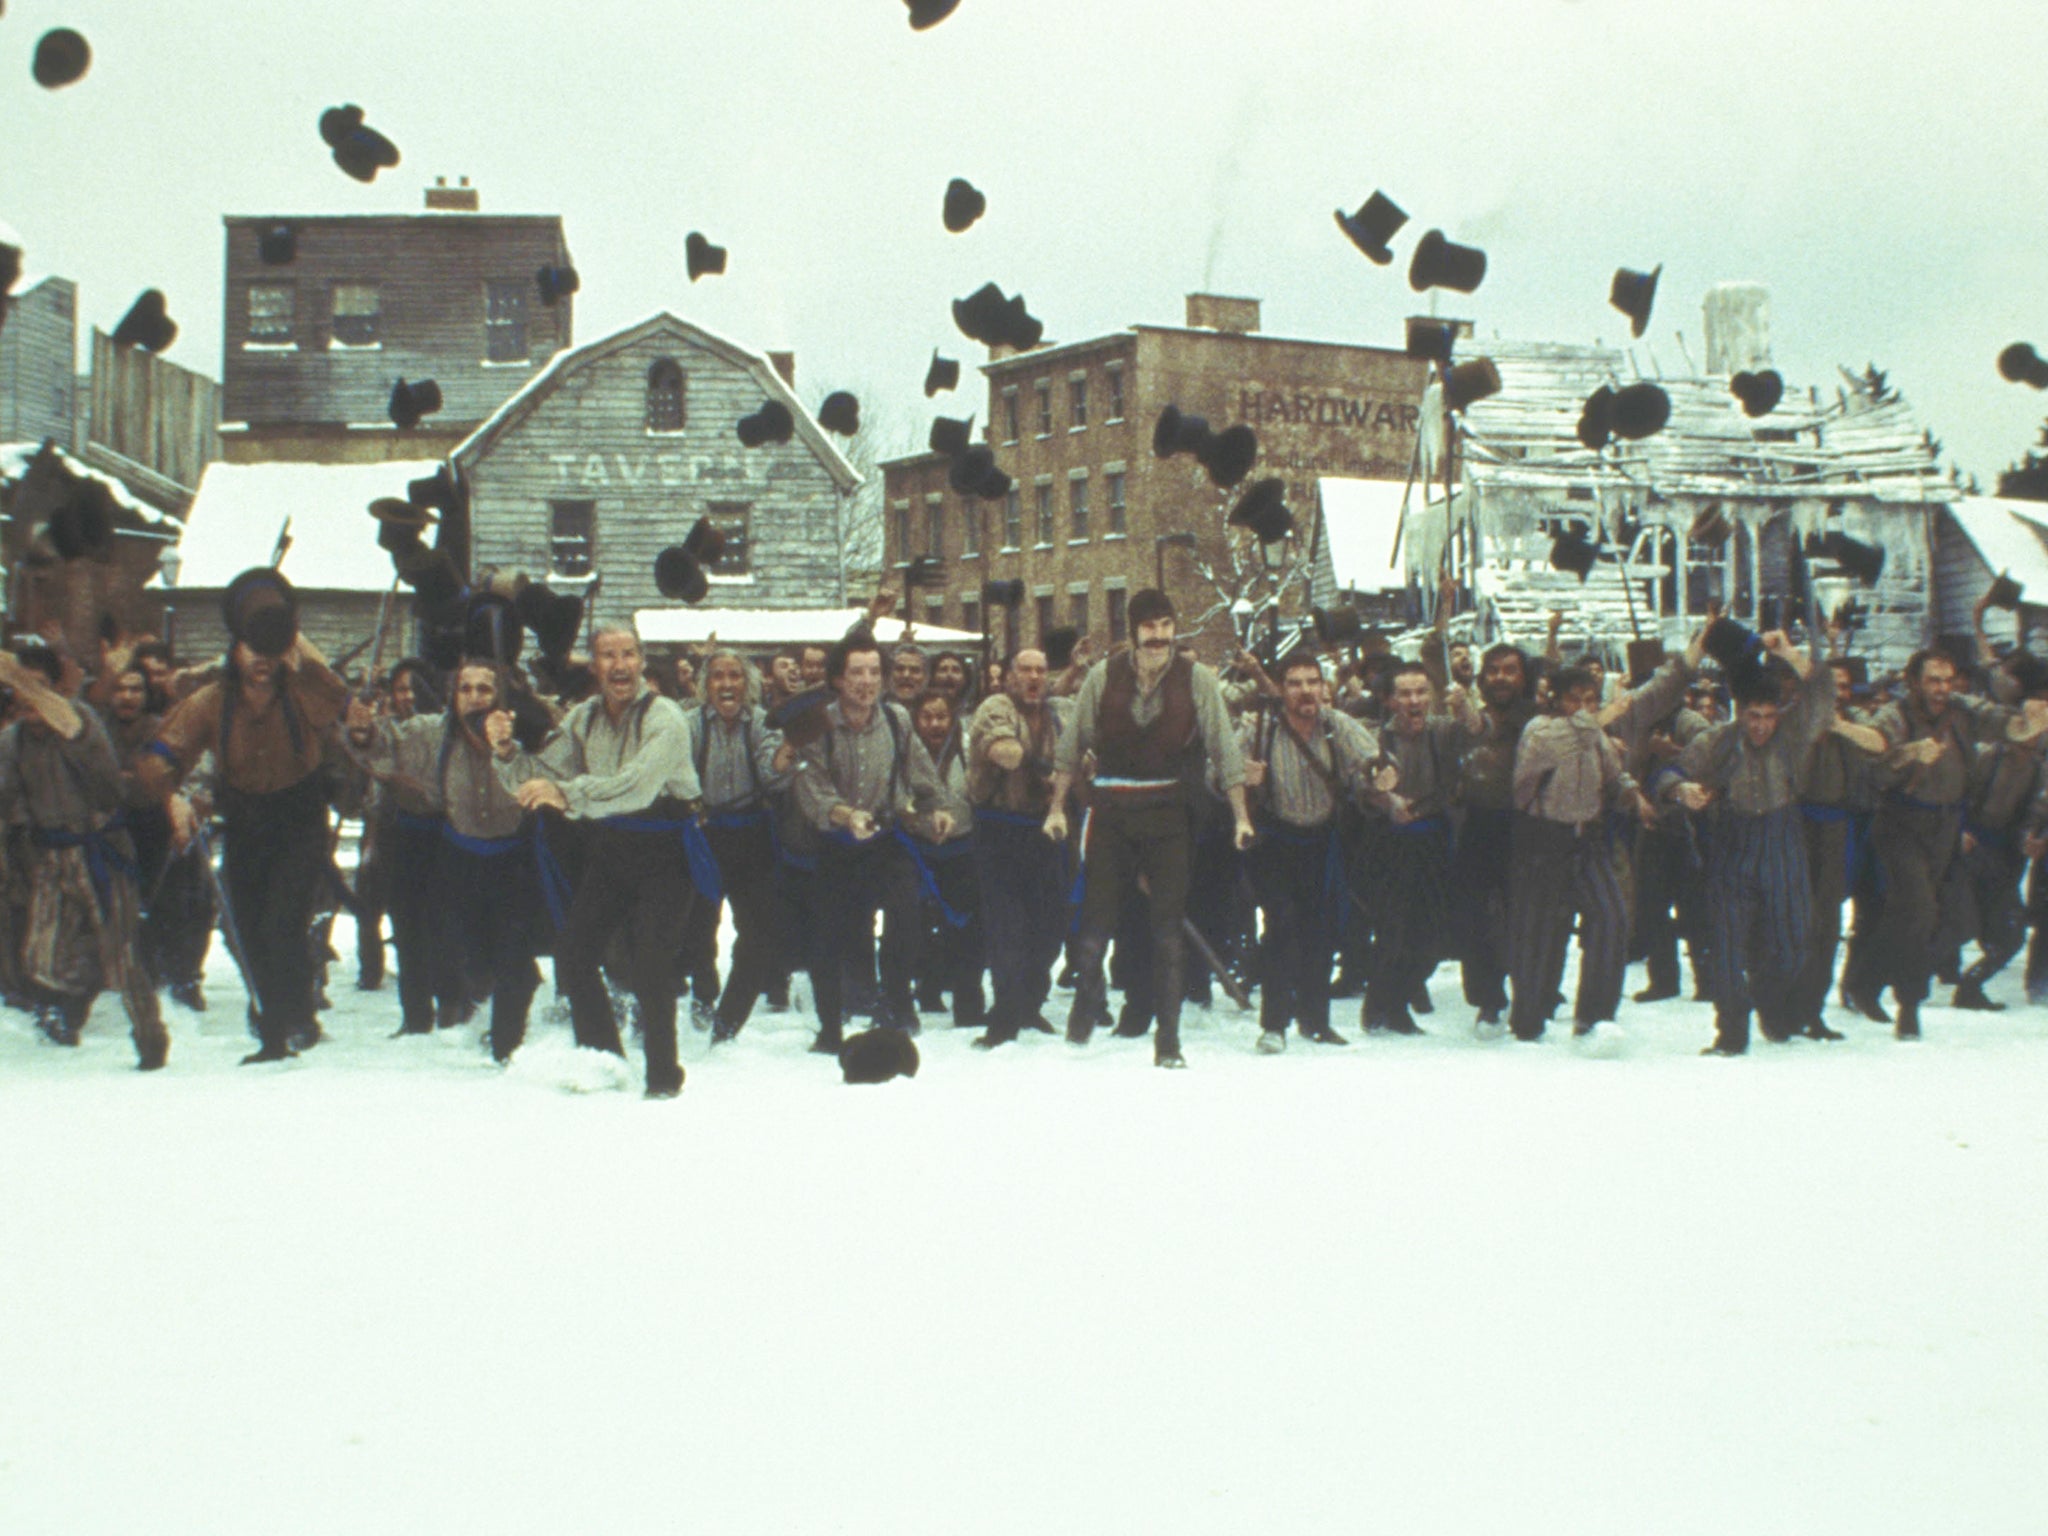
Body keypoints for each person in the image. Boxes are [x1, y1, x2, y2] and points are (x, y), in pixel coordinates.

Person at [135, 582, 352, 1064]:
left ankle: (297, 1018)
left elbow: (337, 697)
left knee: (283, 923)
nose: (260, 659)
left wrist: (290, 638)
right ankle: (272, 1032)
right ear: (233, 650)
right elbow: (161, 756)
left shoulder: (303, 693)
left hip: (299, 820)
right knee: (250, 929)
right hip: (247, 822)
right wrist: (172, 794)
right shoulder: (212, 700)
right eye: (251, 647)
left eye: (269, 649)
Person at [488, 623, 702, 1097]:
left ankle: (664, 1078)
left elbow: (638, 785)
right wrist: (505, 751)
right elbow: (538, 775)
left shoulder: (666, 717)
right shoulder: (583, 717)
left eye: (629, 654)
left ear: (642, 661)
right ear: (594, 665)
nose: (620, 665)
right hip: (612, 846)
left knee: (651, 963)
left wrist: (565, 794)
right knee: (575, 953)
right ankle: (604, 1057)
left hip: (666, 848)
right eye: (608, 656)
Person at [1045, 588, 1252, 1069]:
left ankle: (1169, 1040)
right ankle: (1086, 1001)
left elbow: (1225, 749)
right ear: (1133, 631)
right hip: (1113, 811)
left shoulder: (1197, 678)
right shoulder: (1103, 676)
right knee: (1095, 929)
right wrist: (1057, 807)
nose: (1158, 636)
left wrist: (1241, 815)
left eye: (1165, 625)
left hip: (1169, 814)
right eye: (1149, 627)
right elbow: (1070, 747)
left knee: (1166, 932)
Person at [356, 658, 551, 1062]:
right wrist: (362, 728)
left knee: (511, 958)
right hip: (460, 860)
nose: (475, 697)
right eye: (466, 689)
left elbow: (559, 733)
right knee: (472, 960)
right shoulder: (432, 734)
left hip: (514, 859)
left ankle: (505, 1048)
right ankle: (492, 998)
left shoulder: (524, 731)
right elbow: (383, 744)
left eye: (485, 689)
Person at [1660, 632, 1845, 1053]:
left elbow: (1822, 690)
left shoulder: (1795, 733)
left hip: (1783, 842)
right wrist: (1682, 791)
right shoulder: (1717, 741)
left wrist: (1789, 654)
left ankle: (1766, 997)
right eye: (1753, 715)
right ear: (1739, 711)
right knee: (1726, 943)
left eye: (1769, 715)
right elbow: (1669, 773)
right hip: (1733, 843)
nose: (1761, 724)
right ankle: (1731, 1031)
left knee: (1795, 945)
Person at [1858, 649, 2045, 1038]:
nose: (1942, 688)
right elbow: (1875, 749)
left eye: (1947, 679)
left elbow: (2003, 724)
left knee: (1919, 915)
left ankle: (1865, 981)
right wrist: (1907, 753)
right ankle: (1909, 1007)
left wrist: (2030, 720)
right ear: (1914, 682)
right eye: (1932, 680)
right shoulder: (1898, 713)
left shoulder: (1962, 709)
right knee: (1920, 909)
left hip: (1946, 826)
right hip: (1901, 822)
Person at [0, 646, 169, 1069]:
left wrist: (13, 673)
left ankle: (151, 1041)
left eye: (37, 689)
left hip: (102, 850)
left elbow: (104, 780)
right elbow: (11, 800)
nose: (26, 700)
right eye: (18, 691)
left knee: (125, 959)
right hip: (51, 856)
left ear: (57, 689)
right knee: (40, 961)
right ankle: (85, 977)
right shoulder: (12, 741)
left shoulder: (82, 723)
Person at [1506, 646, 1678, 1043]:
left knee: (1612, 918)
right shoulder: (1541, 730)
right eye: (1574, 700)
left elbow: (1614, 775)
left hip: (1589, 840)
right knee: (1541, 932)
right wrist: (1601, 720)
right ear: (1556, 700)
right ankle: (1529, 1017)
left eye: (1590, 700)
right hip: (1545, 842)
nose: (1583, 708)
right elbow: (1563, 742)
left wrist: (1636, 798)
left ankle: (1596, 1015)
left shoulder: (1595, 736)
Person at [792, 630, 946, 1051]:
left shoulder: (896, 720)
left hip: (884, 839)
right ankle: (829, 1026)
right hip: (836, 845)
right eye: (857, 672)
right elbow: (813, 790)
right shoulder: (817, 722)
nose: (867, 681)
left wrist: (936, 813)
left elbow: (925, 780)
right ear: (838, 679)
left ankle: (896, 1001)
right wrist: (846, 815)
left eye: (875, 671)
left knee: (907, 920)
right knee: (829, 939)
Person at [1240, 649, 1382, 1052]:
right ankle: (1274, 1024)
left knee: (1321, 931)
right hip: (1275, 840)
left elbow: (1372, 758)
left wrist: (1380, 775)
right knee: (1281, 926)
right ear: (1281, 690)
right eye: (1295, 683)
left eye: (1312, 682)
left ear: (1324, 686)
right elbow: (1220, 774)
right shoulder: (1260, 727)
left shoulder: (1337, 725)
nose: (1305, 691)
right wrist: (1241, 776)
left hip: (1322, 841)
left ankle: (1315, 1020)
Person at [682, 649, 792, 1044]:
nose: (727, 684)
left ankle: (727, 1024)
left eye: (735, 676)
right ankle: (704, 990)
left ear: (748, 684)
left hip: (752, 834)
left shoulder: (762, 724)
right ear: (705, 684)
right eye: (717, 677)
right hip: (704, 836)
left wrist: (783, 760)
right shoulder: (690, 723)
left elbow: (772, 774)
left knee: (758, 935)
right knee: (697, 928)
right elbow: (678, 774)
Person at [1359, 659, 1474, 1033]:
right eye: (1405, 693)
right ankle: (1382, 1007)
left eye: (1422, 692)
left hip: (1435, 837)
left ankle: (1400, 997)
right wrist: (1385, 801)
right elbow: (1359, 784)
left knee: (1433, 934)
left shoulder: (1442, 730)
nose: (1414, 700)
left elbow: (1477, 731)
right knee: (1394, 930)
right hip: (1391, 844)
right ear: (1391, 700)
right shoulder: (1376, 736)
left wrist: (1466, 701)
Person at [966, 647, 1069, 1049]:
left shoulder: (1058, 712)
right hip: (999, 830)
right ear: (1010, 675)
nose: (1033, 677)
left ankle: (1030, 1003)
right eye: (1024, 669)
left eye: (1040, 670)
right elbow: (1004, 753)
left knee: (1050, 927)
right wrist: (1049, 765)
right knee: (1007, 929)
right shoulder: (996, 706)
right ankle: (1004, 1017)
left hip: (1045, 833)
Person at [346, 659, 453, 1032]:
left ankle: (452, 1005)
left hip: (445, 835)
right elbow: (377, 756)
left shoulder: (447, 726)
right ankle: (416, 1015)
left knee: (441, 926)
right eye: (400, 689)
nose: (406, 696)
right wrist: (361, 735)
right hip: (402, 833)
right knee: (405, 926)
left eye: (413, 688)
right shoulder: (391, 730)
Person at [100, 659, 213, 1011]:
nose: (127, 697)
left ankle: (184, 978)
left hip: (160, 824)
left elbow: (181, 772)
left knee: (181, 904)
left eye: (135, 689)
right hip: (112, 831)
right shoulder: (98, 731)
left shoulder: (161, 728)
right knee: (128, 912)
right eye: (120, 688)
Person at [1449, 643, 1539, 1030]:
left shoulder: (1537, 720)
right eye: (1494, 670)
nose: (1501, 677)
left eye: (1510, 670)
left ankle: (1533, 996)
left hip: (1526, 827)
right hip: (1477, 825)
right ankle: (1487, 998)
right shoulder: (1467, 720)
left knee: (1526, 917)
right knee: (1476, 917)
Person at [907, 688, 984, 1029]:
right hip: (919, 849)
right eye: (927, 717)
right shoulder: (905, 751)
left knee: (965, 928)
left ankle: (969, 1004)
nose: (934, 724)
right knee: (921, 925)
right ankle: (927, 988)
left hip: (961, 849)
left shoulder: (967, 752)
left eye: (941, 717)